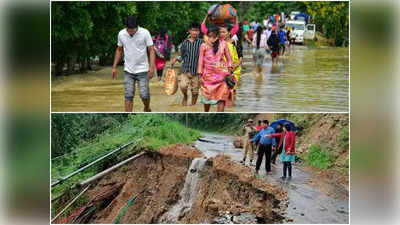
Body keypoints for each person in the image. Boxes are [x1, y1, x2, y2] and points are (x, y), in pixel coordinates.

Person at [112, 15, 155, 112]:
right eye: (128, 29)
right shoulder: (121, 34)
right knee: (128, 95)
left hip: (143, 70)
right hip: (128, 70)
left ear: (137, 27)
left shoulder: (145, 33)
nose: (130, 31)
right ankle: (128, 115)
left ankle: (147, 108)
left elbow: (151, 50)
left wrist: (152, 68)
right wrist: (114, 67)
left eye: (133, 29)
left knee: (144, 95)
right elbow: (119, 50)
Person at [197, 25, 233, 112]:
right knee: (207, 98)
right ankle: (206, 113)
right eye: (210, 36)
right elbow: (200, 61)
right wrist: (199, 75)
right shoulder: (203, 46)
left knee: (222, 98)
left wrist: (230, 68)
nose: (212, 38)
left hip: (222, 77)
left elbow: (229, 59)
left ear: (218, 35)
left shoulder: (224, 44)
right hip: (207, 77)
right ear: (207, 36)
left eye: (214, 36)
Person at [171, 22, 204, 106]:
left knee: (195, 91)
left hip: (197, 71)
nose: (195, 32)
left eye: (196, 30)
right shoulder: (185, 43)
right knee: (183, 86)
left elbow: (205, 57)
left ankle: (193, 106)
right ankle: (185, 96)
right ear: (189, 31)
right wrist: (176, 59)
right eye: (193, 30)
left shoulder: (202, 43)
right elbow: (182, 55)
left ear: (199, 31)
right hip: (186, 69)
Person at [220, 24, 242, 90]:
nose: (221, 34)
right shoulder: (218, 43)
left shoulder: (234, 42)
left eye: (224, 32)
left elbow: (240, 56)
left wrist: (235, 66)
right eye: (220, 32)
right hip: (222, 70)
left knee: (232, 90)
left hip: (234, 70)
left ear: (229, 33)